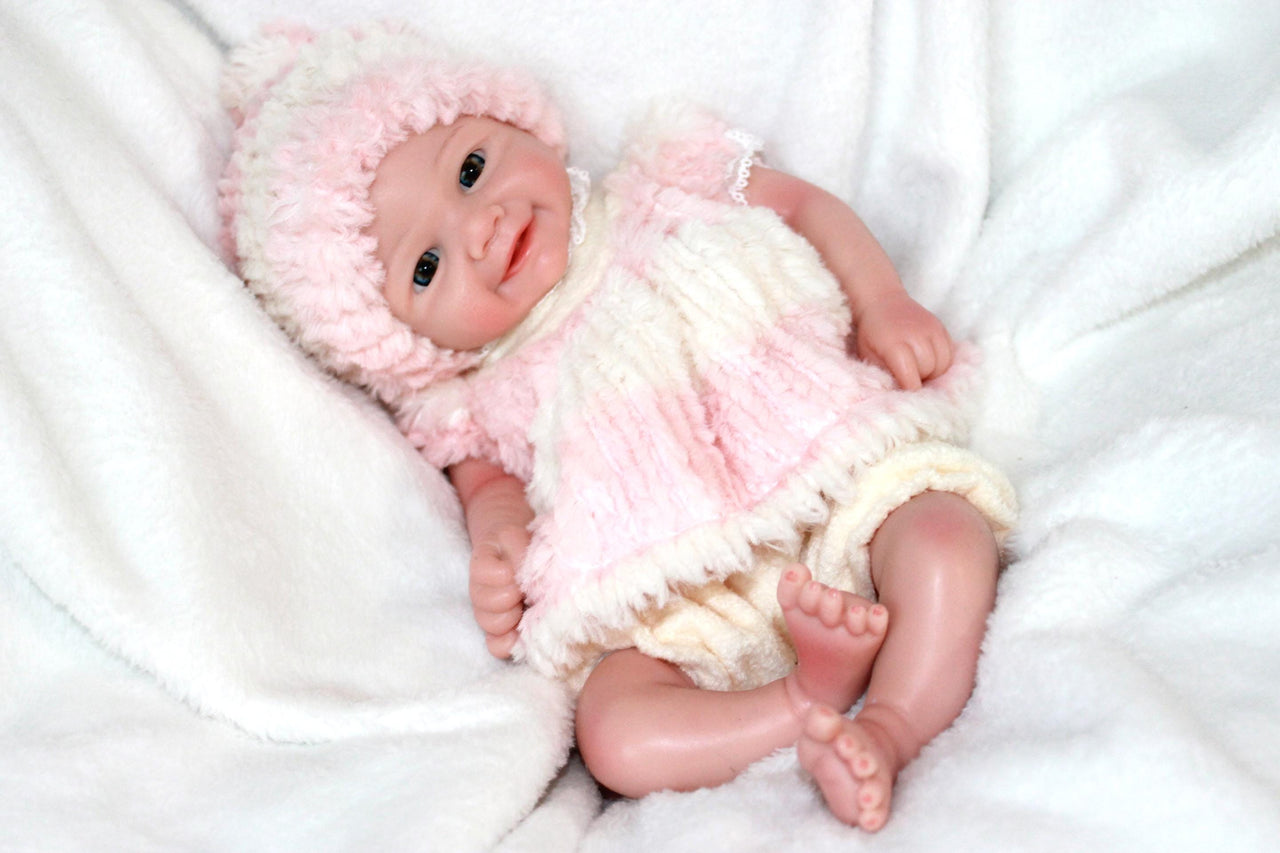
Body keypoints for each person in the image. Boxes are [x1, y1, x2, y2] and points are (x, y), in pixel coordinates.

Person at [219, 21, 1016, 832]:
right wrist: (501, 544)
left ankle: (891, 725)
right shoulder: (476, 393)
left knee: (945, 535)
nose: (481, 226)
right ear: (404, 346)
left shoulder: (667, 180)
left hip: (832, 477)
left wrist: (883, 300)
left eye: (470, 170)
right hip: (674, 597)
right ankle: (802, 698)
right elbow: (489, 487)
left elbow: (803, 204)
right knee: (614, 733)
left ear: (517, 122)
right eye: (428, 265)